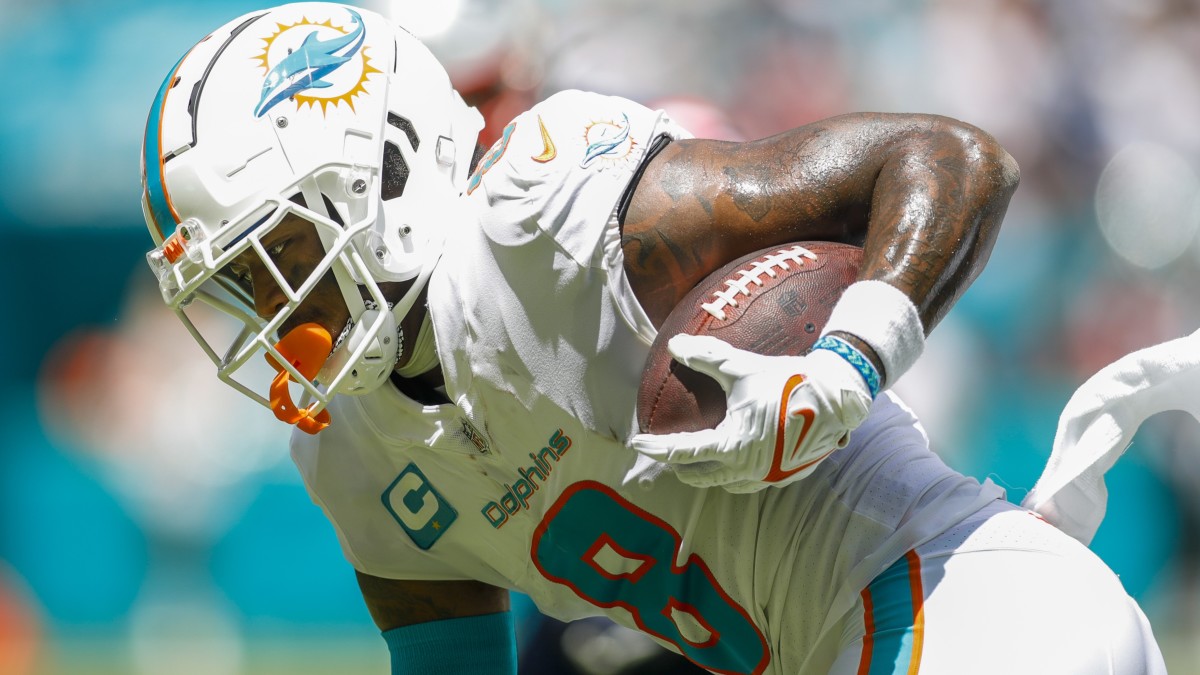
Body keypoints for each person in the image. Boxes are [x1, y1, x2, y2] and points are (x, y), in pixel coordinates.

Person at [139, 3, 1165, 673]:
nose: (275, 305)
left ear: (386, 172)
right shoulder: (352, 454)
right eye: (241, 281)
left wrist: (846, 364)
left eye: (280, 251)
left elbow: (950, 159)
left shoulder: (547, 217)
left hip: (977, 608)